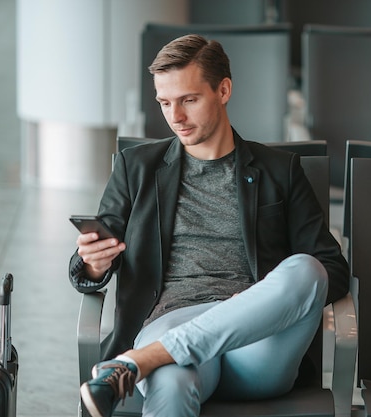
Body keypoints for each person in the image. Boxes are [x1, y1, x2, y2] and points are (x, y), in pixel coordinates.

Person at [69, 34, 349, 417]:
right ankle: (151, 359)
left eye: (189, 100)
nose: (175, 117)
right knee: (171, 380)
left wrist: (257, 301)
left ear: (223, 89)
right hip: (167, 321)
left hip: (255, 345)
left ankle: (139, 362)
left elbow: (332, 269)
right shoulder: (136, 168)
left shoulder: (278, 171)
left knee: (307, 269)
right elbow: (92, 261)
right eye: (165, 103)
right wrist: (93, 263)